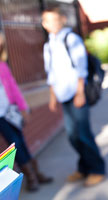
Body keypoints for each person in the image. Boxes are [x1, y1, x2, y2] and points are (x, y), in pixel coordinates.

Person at [0, 29, 53, 192]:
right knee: (14, 141)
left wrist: (23, 107)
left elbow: (12, 87)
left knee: (21, 139)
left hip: (9, 109)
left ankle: (36, 172)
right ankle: (31, 176)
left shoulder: (1, 64)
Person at [42, 6, 105, 186]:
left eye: (54, 19)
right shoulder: (49, 45)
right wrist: (53, 96)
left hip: (76, 94)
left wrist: (80, 93)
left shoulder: (71, 39)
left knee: (83, 134)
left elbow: (81, 69)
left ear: (62, 20)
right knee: (73, 135)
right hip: (62, 95)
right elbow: (51, 74)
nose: (50, 24)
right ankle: (84, 167)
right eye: (47, 20)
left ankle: (96, 169)